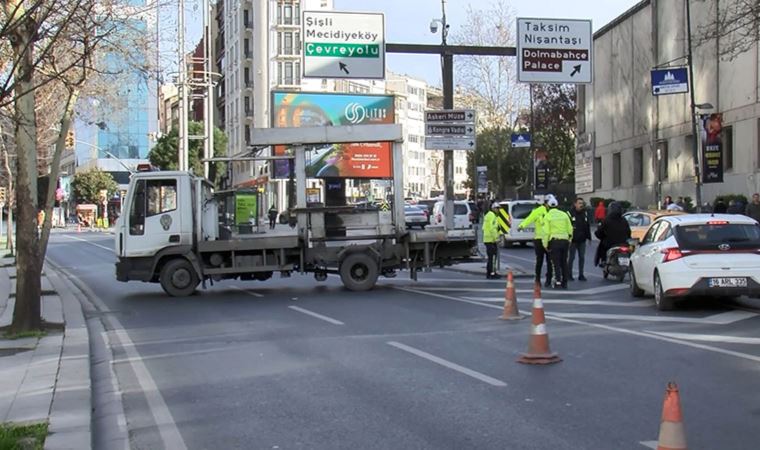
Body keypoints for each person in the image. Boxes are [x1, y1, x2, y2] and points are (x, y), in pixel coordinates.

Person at [518, 197, 553, 287]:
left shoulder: (553, 211)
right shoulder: (538, 211)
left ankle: (548, 279)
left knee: (550, 261)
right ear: (545, 203)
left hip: (549, 239)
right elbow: (529, 219)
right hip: (539, 239)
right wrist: (522, 225)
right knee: (539, 260)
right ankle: (537, 278)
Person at [543, 196, 573, 289]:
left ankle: (558, 281)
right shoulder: (564, 215)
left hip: (554, 241)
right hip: (565, 241)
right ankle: (565, 282)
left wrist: (545, 244)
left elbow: (546, 232)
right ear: (557, 205)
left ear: (548, 206)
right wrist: (570, 239)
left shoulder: (547, 216)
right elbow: (570, 229)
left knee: (556, 262)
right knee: (564, 262)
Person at [594, 202, 631, 268]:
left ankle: (603, 260)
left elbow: (600, 232)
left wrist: (598, 234)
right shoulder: (624, 220)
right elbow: (629, 232)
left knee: (602, 247)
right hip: (623, 243)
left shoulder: (606, 220)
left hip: (610, 244)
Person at [568, 197, 591, 281]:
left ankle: (581, 274)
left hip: (582, 240)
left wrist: (589, 237)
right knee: (571, 257)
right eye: (579, 203)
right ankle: (569, 274)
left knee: (582, 257)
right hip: (573, 240)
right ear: (575, 204)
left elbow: (587, 226)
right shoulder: (570, 213)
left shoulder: (584, 213)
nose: (581, 205)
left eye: (582, 203)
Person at [482, 202, 503, 279]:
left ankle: (489, 273)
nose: (498, 210)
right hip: (491, 240)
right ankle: (492, 274)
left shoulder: (488, 215)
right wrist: (497, 239)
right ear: (493, 208)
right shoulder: (493, 216)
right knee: (493, 258)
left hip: (487, 239)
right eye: (497, 208)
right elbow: (493, 229)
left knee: (491, 258)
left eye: (498, 208)